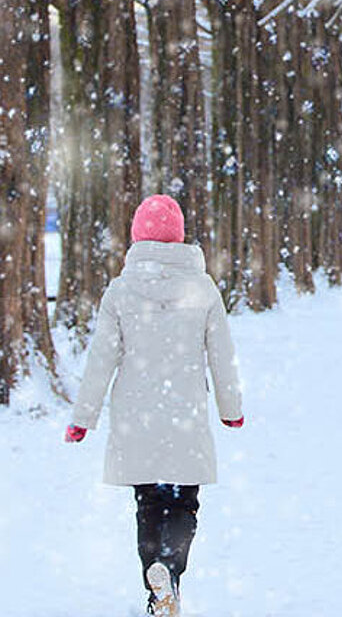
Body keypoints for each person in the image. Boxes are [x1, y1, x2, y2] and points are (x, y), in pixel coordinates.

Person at [65, 194, 243, 617]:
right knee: (183, 503)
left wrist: (82, 418)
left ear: (137, 238)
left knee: (148, 503)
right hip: (185, 413)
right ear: (179, 238)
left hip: (136, 416)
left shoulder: (120, 291)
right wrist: (230, 408)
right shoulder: (203, 289)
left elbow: (101, 359)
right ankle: (170, 570)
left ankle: (155, 583)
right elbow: (222, 354)